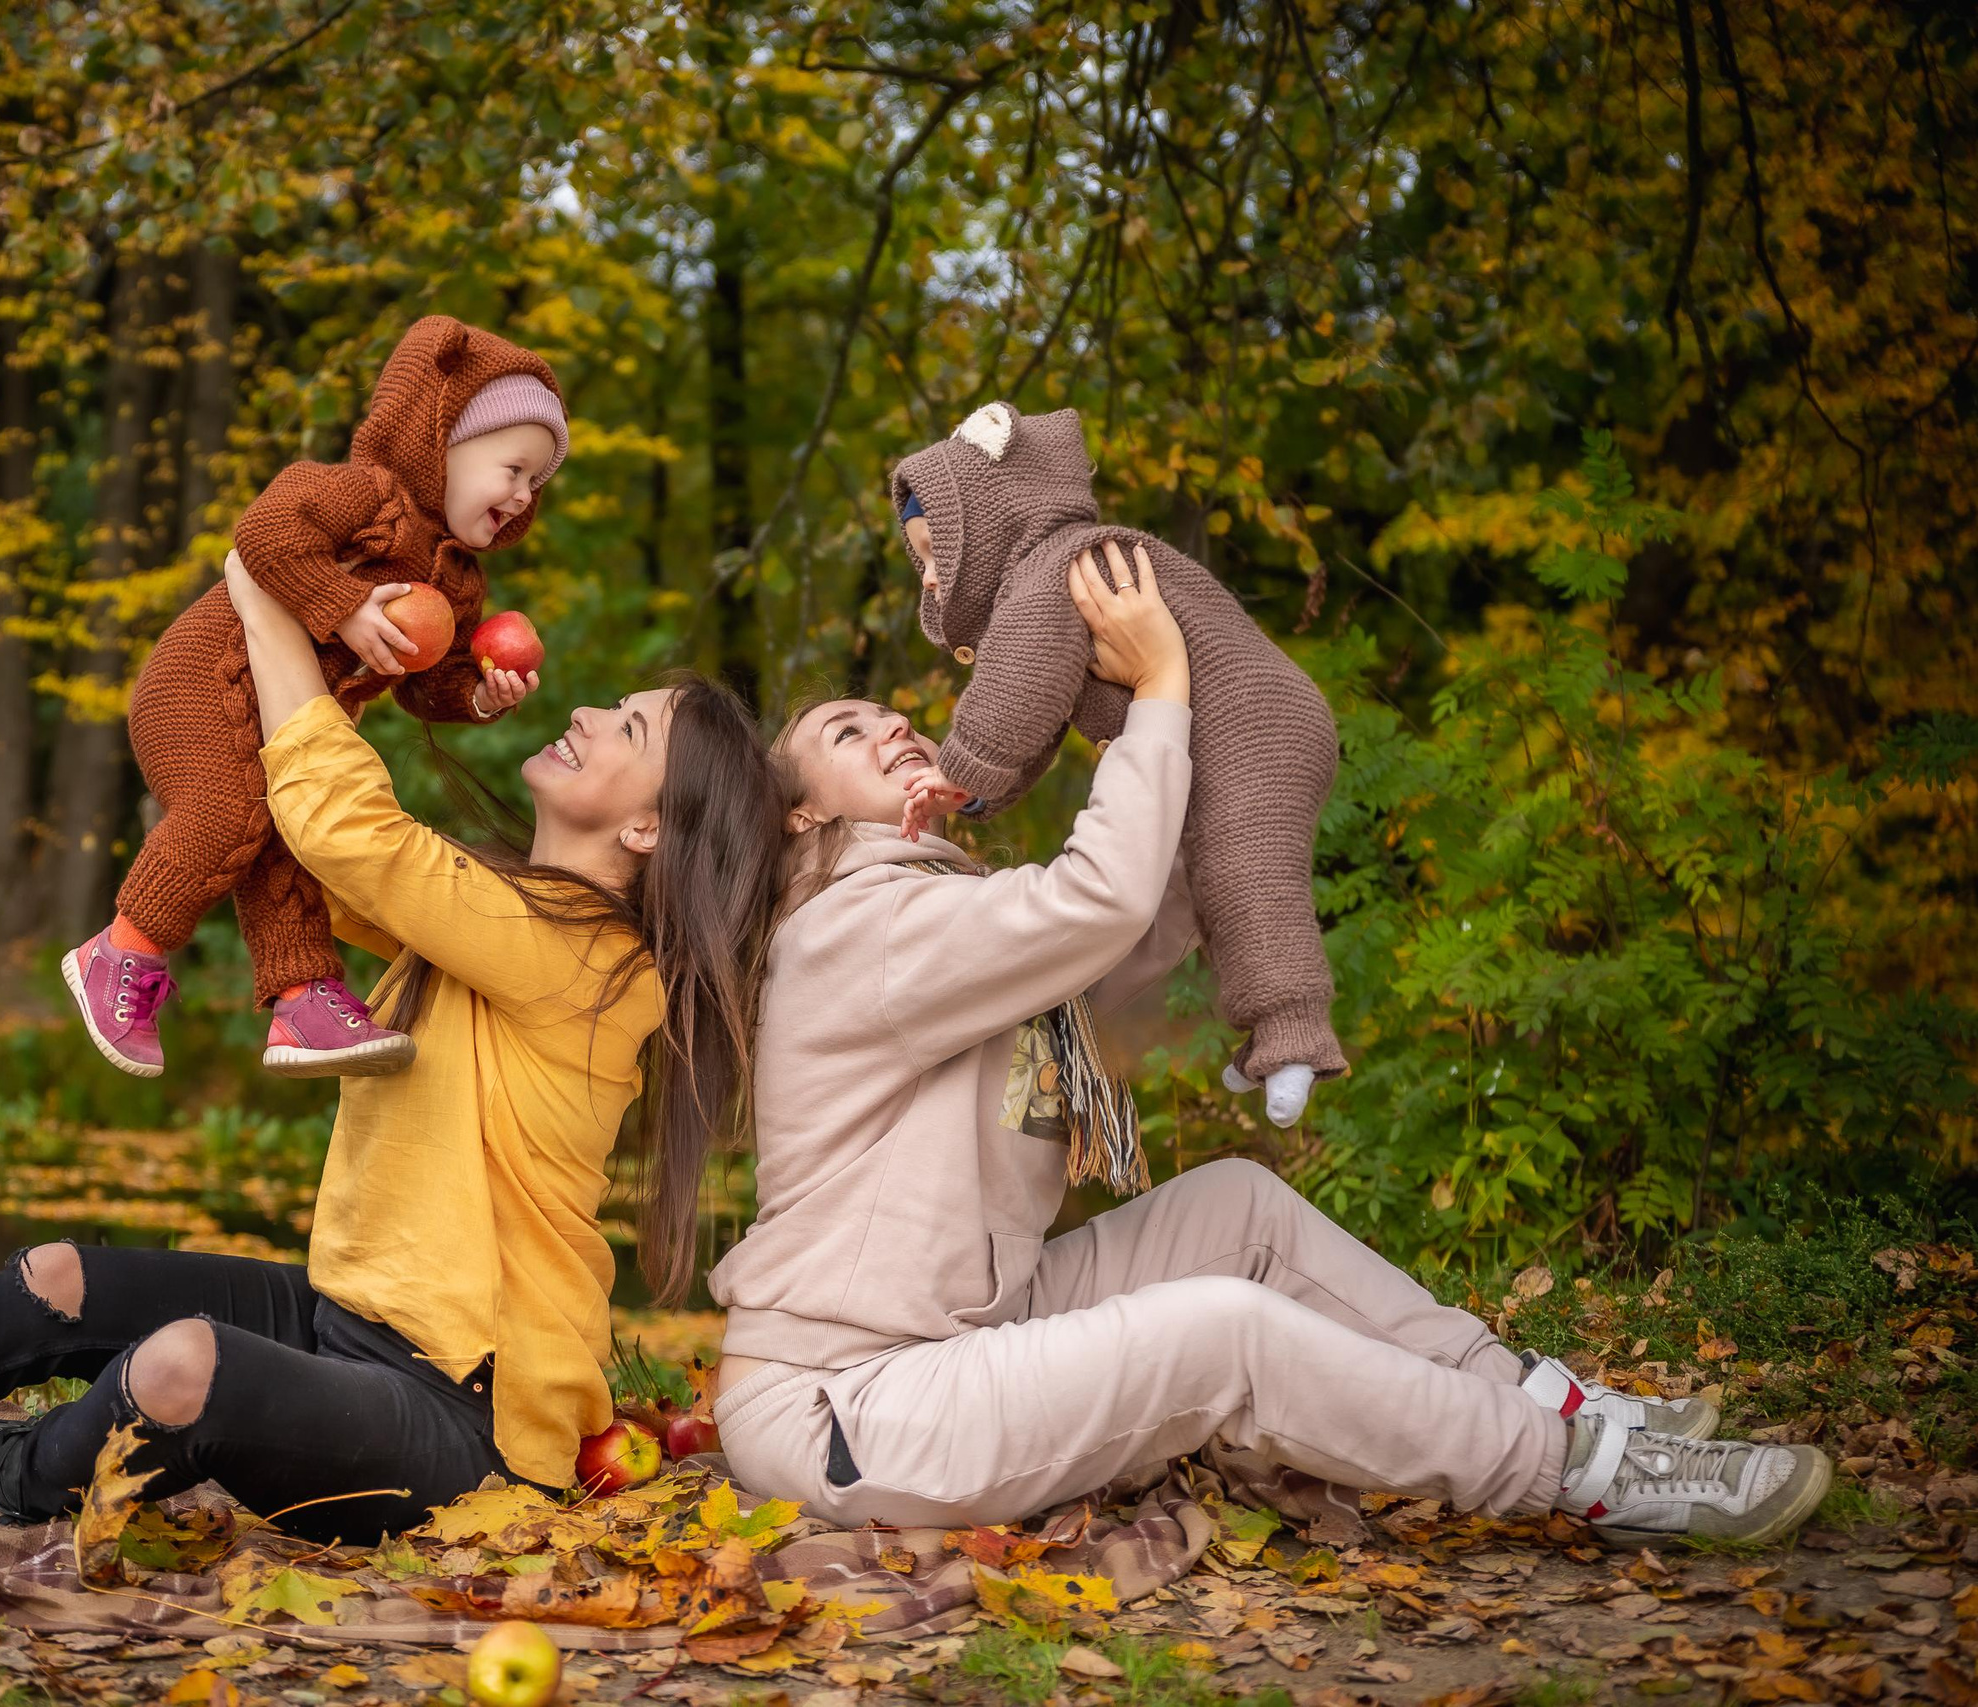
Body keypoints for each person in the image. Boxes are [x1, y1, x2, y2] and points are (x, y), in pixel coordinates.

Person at [0, 552, 790, 1544]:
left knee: (182, 1366)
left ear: (650, 835)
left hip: (472, 1420)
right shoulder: (490, 910)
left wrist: (275, 591)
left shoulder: (592, 964)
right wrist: (369, 652)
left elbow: (353, 834)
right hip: (353, 1319)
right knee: (53, 1275)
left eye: (632, 725)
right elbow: (294, 838)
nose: (591, 714)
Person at [706, 539, 1830, 1547]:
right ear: (801, 816)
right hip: (847, 1401)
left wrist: (1240, 771)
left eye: (885, 711)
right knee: (1222, 1333)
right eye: (846, 734)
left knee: (1233, 1206)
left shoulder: (937, 914)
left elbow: (1122, 958)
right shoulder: (856, 926)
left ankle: (1540, 1401)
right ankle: (1584, 1473)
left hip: (957, 1330)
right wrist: (1157, 691)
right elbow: (1094, 901)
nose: (893, 725)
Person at [66, 316, 567, 1083]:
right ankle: (121, 948)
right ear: (441, 440)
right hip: (202, 682)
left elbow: (424, 685)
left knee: (286, 835)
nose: (523, 493)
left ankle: (303, 999)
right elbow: (264, 532)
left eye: (538, 482)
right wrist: (343, 605)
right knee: (233, 811)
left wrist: (478, 695)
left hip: (278, 723)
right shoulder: (363, 495)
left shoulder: (459, 584)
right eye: (513, 467)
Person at [887, 402, 1344, 1128]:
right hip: (1235, 726)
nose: (933, 577)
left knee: (1242, 866)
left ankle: (1293, 1031)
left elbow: (1017, 692)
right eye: (923, 560)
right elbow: (1037, 721)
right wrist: (972, 792)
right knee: (1200, 876)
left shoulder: (1060, 569)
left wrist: (960, 764)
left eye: (938, 550)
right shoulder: (1054, 577)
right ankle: (1263, 1034)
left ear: (991, 522)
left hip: (1257, 725)